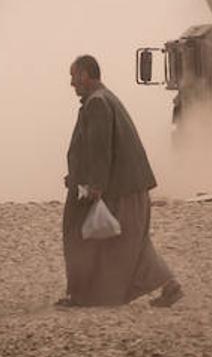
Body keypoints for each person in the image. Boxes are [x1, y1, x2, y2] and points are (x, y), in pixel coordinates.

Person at [59, 54, 183, 308]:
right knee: (131, 242)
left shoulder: (97, 103)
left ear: (84, 74)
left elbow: (100, 148)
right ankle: (169, 286)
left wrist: (95, 186)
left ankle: (85, 295)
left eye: (73, 76)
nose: (72, 83)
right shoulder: (103, 99)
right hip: (127, 187)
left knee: (89, 237)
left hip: (119, 189)